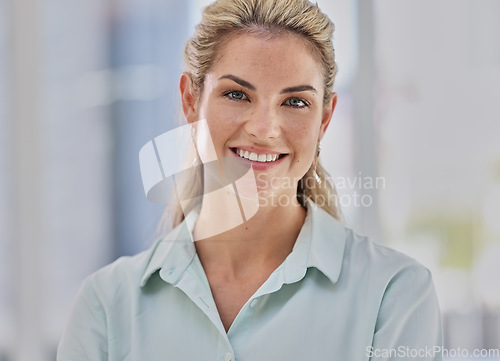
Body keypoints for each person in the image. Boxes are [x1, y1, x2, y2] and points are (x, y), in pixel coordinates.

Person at [57, 0, 443, 360]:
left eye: (295, 102)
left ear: (324, 120)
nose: (264, 129)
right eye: (237, 94)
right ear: (191, 101)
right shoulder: (105, 306)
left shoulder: (394, 295)